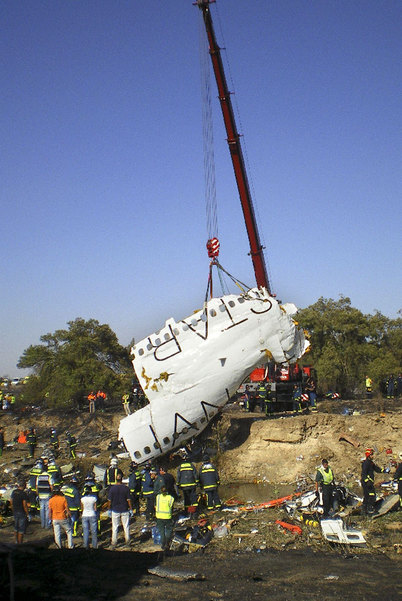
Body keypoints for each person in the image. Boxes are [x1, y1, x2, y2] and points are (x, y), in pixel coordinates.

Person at [361, 448, 390, 515]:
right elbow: (364, 474)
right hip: (367, 483)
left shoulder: (371, 463)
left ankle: (365, 510)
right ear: (368, 455)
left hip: (369, 482)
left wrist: (384, 470)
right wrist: (367, 481)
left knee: (367, 496)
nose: (373, 456)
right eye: (371, 455)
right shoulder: (366, 463)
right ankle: (369, 509)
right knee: (371, 496)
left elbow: (376, 469)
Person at [107, 472, 132, 548]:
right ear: (122, 479)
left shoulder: (112, 489)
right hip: (124, 509)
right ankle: (127, 541)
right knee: (126, 526)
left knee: (115, 527)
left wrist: (109, 509)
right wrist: (130, 508)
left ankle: (114, 543)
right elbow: (128, 500)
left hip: (115, 510)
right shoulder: (126, 488)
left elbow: (109, 501)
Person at [155, 485, 175, 551]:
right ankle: (167, 542)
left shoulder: (158, 497)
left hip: (159, 516)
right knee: (169, 530)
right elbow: (171, 506)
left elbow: (155, 505)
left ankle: (163, 544)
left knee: (161, 531)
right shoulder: (171, 498)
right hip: (167, 517)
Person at [11, 479, 30, 544]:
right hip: (21, 512)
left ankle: (16, 542)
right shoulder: (23, 494)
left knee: (16, 528)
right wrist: (27, 514)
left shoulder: (14, 492)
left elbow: (11, 501)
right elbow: (25, 505)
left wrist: (12, 509)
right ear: (24, 486)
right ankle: (20, 544)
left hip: (15, 511)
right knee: (21, 530)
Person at [81, 484, 98, 549]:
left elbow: (82, 508)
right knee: (94, 531)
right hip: (92, 514)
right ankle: (95, 546)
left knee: (85, 531)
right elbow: (95, 508)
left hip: (84, 515)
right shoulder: (94, 498)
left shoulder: (82, 499)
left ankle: (86, 546)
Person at [36, 462, 52, 529]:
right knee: (47, 510)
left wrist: (38, 494)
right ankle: (47, 525)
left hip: (41, 495)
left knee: (42, 510)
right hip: (47, 495)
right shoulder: (49, 476)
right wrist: (51, 493)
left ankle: (42, 524)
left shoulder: (39, 476)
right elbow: (51, 486)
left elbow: (36, 486)